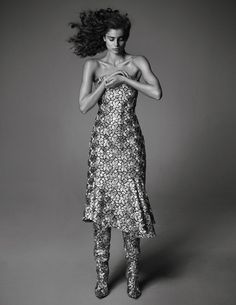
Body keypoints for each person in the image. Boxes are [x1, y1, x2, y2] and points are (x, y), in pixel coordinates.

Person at [67, 7, 162, 299]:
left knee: (131, 210)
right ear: (103, 38)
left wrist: (126, 80)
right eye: (111, 39)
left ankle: (133, 279)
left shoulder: (137, 62)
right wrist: (104, 86)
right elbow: (84, 106)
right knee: (103, 211)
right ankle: (102, 280)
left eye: (120, 39)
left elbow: (157, 93)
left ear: (126, 38)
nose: (116, 44)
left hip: (130, 142)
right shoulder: (93, 66)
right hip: (103, 143)